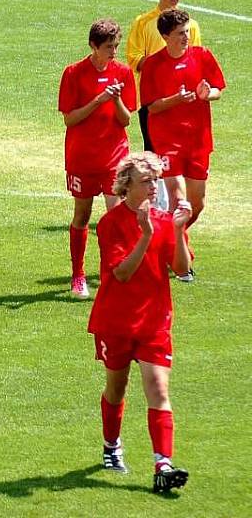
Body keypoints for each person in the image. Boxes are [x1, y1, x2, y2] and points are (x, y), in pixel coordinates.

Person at [89, 152, 192, 493]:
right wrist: (145, 235)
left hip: (154, 321)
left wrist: (176, 230)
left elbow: (180, 269)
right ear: (126, 186)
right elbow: (121, 273)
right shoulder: (111, 223)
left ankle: (162, 462)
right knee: (117, 389)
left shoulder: (164, 219)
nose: (153, 187)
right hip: (116, 321)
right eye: (145, 181)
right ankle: (111, 445)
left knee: (159, 389)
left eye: (155, 180)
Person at [140, 8, 225, 282]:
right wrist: (176, 100)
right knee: (178, 200)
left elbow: (218, 89)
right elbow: (151, 107)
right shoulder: (153, 65)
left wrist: (207, 94)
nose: (186, 37)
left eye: (187, 31)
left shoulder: (202, 56)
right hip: (167, 141)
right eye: (179, 34)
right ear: (165, 36)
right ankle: (181, 261)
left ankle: (166, 242)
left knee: (197, 203)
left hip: (198, 139)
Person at [58, 19, 136, 299]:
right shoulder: (74, 73)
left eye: (116, 46)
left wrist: (115, 100)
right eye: (109, 47)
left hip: (115, 157)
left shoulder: (124, 73)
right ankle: (77, 275)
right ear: (93, 46)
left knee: (117, 215)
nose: (114, 51)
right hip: (82, 158)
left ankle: (111, 272)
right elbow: (69, 118)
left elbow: (126, 120)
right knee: (82, 215)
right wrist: (98, 100)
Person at [126, 0, 202, 210]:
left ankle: (174, 204)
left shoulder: (192, 26)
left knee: (182, 154)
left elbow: (196, 60)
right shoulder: (143, 23)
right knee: (153, 152)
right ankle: (156, 204)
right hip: (154, 101)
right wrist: (163, 64)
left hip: (184, 104)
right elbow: (134, 58)